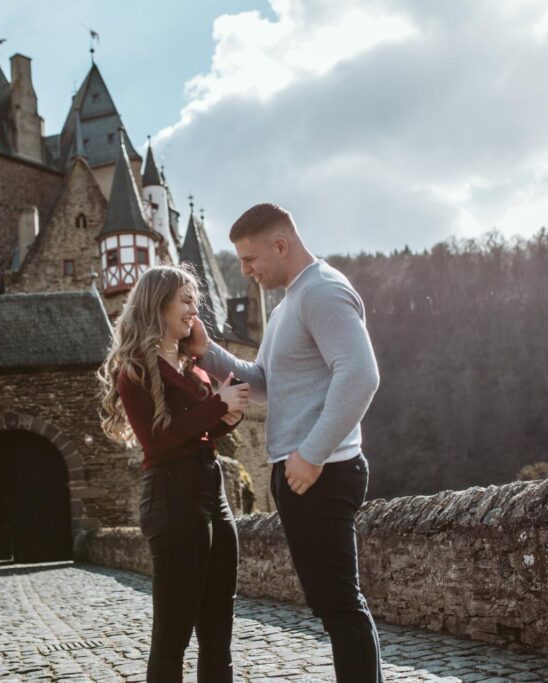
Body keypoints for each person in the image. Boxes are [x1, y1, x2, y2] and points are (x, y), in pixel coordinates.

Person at [184, 203, 383, 682]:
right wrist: (207, 352)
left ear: (280, 245)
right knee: (332, 604)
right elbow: (264, 383)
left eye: (250, 259)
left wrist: (311, 456)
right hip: (304, 473)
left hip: (323, 472)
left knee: (340, 604)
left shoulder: (323, 291)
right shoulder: (288, 304)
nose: (245, 271)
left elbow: (361, 375)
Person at [98, 264, 250, 683]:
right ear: (158, 305)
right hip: (172, 497)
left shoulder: (191, 366)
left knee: (218, 634)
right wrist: (218, 404)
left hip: (212, 490)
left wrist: (228, 414)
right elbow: (158, 441)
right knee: (173, 635)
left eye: (195, 302)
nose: (194, 311)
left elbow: (202, 432)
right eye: (185, 301)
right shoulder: (134, 369)